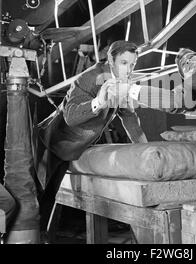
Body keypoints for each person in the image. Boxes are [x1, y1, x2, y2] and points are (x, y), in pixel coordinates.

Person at [35, 40, 147, 228]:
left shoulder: (124, 83)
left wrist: (145, 149)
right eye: (124, 63)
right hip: (50, 143)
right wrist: (98, 102)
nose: (129, 69)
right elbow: (70, 117)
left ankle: (39, 238)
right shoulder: (90, 77)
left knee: (48, 202)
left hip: (71, 149)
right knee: (33, 201)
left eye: (133, 64)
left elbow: (130, 118)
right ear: (111, 61)